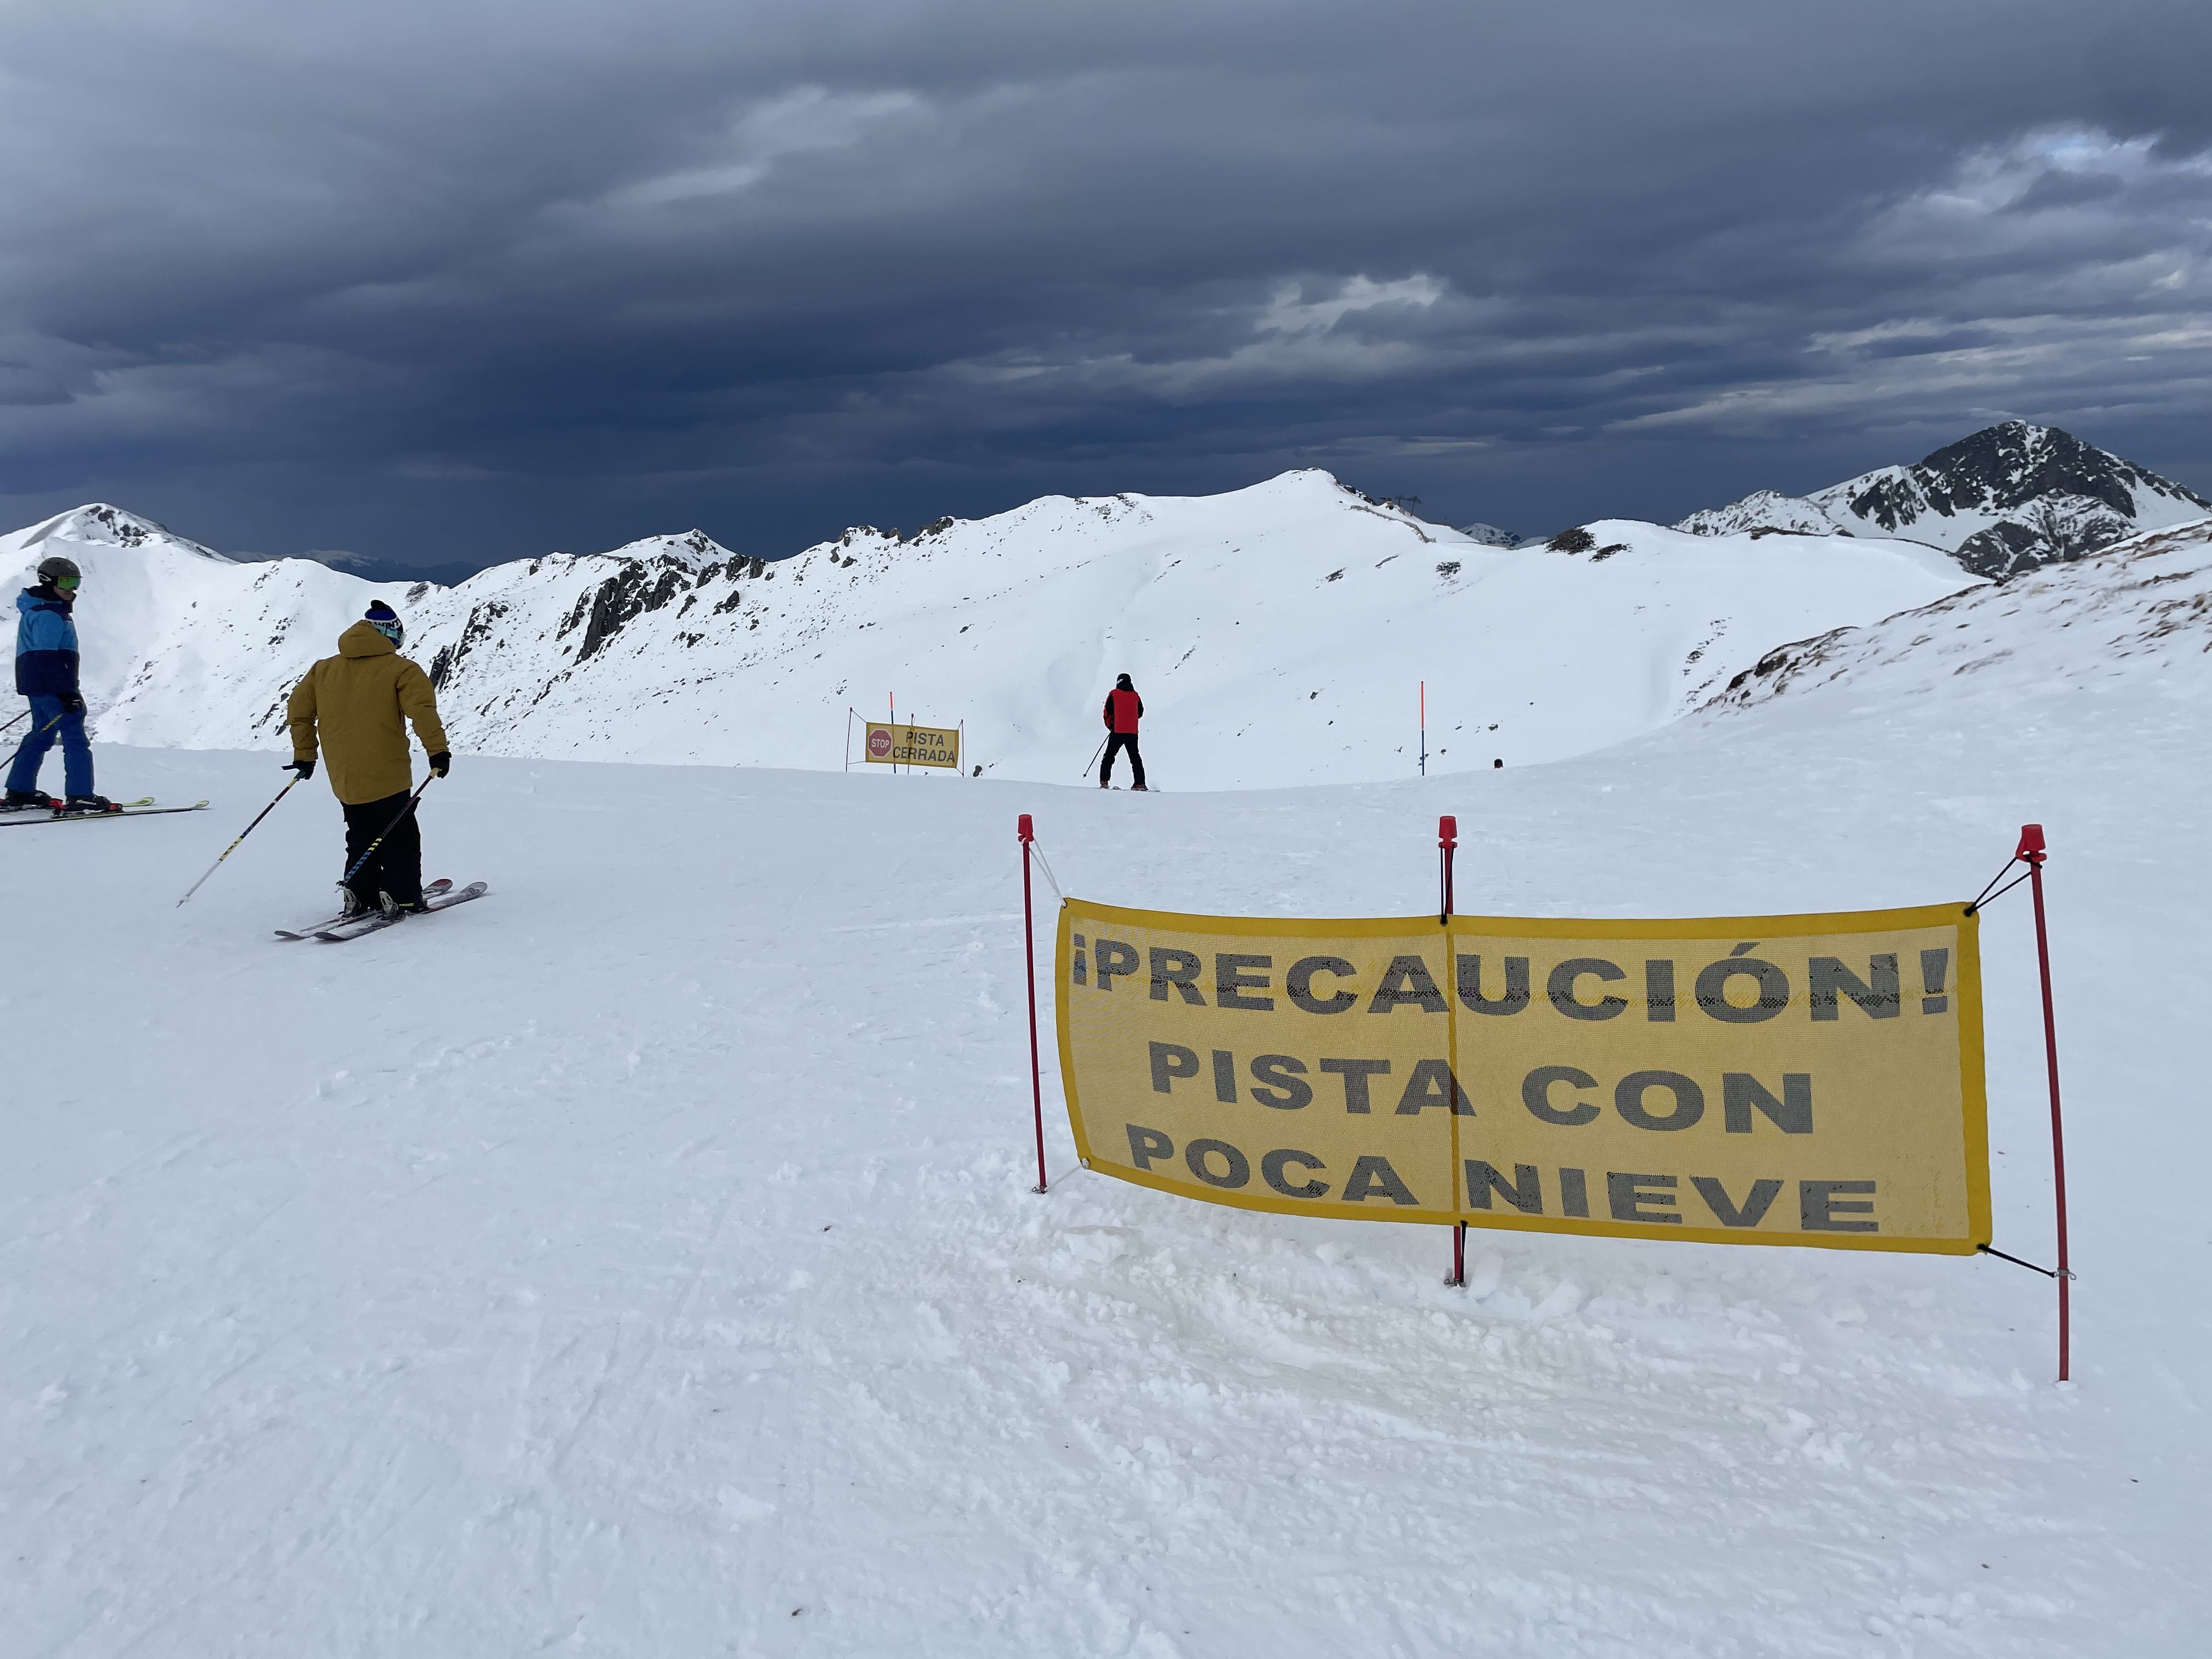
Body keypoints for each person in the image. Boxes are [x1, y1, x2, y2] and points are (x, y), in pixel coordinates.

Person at [285, 600, 451, 917]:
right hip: (388, 773)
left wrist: (305, 755)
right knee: (399, 836)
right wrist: (438, 752)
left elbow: (299, 714)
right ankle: (403, 897)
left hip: (344, 776)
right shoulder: (402, 669)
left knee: (360, 834)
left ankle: (360, 895)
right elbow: (423, 714)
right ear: (390, 634)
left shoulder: (323, 669)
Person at [6, 554, 117, 813]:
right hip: (53, 686)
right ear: (48, 582)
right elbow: (47, 655)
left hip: (38, 685)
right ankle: (80, 795)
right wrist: (67, 693)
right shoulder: (49, 614)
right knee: (75, 737)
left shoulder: (38, 609)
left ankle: (20, 790)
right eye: (66, 582)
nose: (72, 589)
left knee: (40, 735)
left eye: (75, 582)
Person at [1100, 672, 1147, 791]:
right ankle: (1139, 784)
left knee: (1109, 756)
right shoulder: (1136, 696)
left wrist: (1110, 725)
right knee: (1135, 757)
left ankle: (1104, 781)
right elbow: (1140, 712)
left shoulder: (1114, 694)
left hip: (1118, 730)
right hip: (1132, 732)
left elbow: (1107, 712)